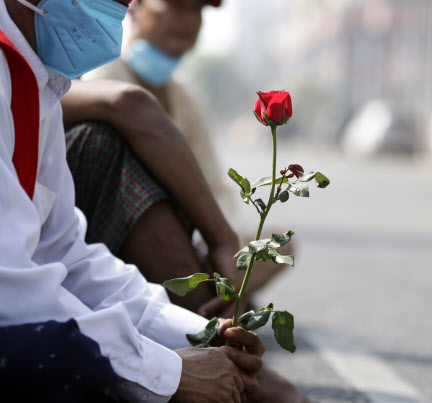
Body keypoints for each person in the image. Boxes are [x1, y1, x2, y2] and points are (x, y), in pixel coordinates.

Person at [0, 0, 265, 401]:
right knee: (71, 357)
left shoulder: (37, 83)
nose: (117, 9)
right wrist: (167, 371)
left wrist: (195, 333)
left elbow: (67, 255)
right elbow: (12, 292)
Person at [74, 0, 289, 317]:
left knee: (278, 244)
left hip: (194, 241)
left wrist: (215, 244)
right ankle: (214, 309)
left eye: (196, 10)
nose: (187, 20)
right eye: (176, 6)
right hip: (122, 236)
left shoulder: (187, 99)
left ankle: (212, 301)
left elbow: (216, 188)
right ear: (134, 8)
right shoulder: (101, 76)